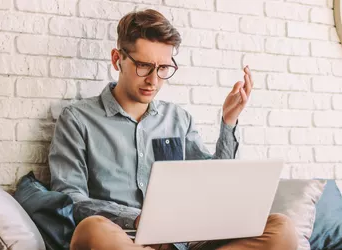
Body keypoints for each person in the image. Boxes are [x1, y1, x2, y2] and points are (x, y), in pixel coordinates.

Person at [49, 9, 298, 250]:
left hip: (184, 241)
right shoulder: (77, 119)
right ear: (117, 59)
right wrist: (136, 218)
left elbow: (217, 186)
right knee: (92, 230)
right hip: (123, 238)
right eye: (144, 66)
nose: (154, 80)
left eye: (163, 68)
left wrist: (229, 121)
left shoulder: (179, 119)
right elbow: (70, 198)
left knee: (281, 228)